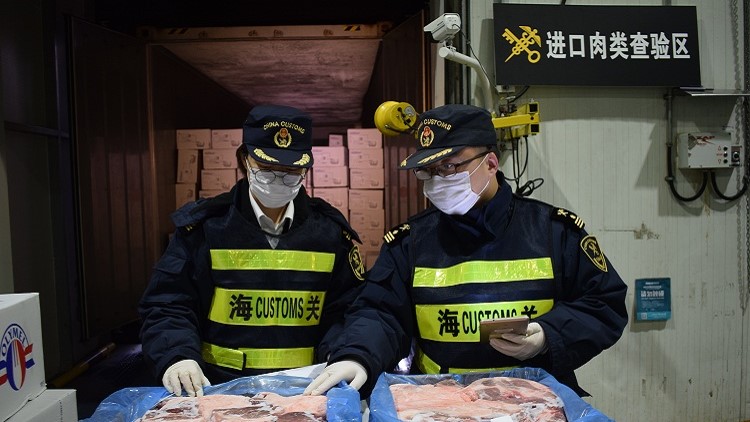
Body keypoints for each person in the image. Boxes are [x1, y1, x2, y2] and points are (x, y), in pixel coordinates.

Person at [304, 103, 628, 398]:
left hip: (535, 402)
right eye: (427, 171)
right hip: (440, 404)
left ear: (489, 163)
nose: (436, 181)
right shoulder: (410, 241)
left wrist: (547, 334)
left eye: (448, 167)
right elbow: (380, 312)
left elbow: (603, 303)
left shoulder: (552, 231)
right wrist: (357, 356)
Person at [139, 104, 366, 397]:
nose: (278, 180)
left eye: (290, 171)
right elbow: (167, 303)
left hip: (307, 392)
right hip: (218, 391)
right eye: (267, 168)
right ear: (244, 160)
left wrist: (346, 354)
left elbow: (350, 310)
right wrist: (177, 355)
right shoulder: (205, 230)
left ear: (306, 169)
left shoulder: (331, 234)